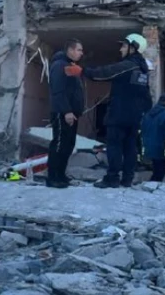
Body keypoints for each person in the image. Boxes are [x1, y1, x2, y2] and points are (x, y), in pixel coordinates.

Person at [65, 33, 153, 188]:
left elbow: (104, 73)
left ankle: (112, 178)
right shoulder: (143, 70)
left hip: (119, 114)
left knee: (114, 146)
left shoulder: (128, 65)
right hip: (134, 117)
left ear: (133, 48)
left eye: (124, 46)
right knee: (130, 147)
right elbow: (147, 97)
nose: (120, 49)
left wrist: (81, 71)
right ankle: (127, 178)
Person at [47, 39, 85, 188]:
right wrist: (66, 111)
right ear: (70, 50)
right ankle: (53, 177)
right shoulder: (59, 65)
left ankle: (61, 175)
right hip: (62, 112)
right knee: (59, 144)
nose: (81, 53)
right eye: (79, 50)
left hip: (72, 113)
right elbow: (58, 91)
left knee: (68, 144)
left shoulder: (70, 66)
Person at [141, 93, 165, 182]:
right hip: (161, 149)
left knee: (156, 171)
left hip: (148, 147)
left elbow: (142, 129)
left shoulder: (148, 114)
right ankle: (151, 189)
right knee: (159, 173)